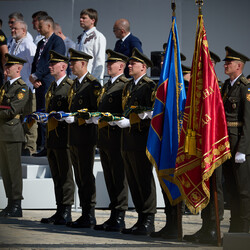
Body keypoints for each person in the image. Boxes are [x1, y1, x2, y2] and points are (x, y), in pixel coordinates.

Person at [183, 51, 224, 245]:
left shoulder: (219, 88)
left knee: (217, 187)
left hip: (216, 145)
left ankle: (214, 227)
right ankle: (205, 226)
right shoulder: (198, 90)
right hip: (201, 144)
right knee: (203, 183)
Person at [119, 48, 156, 236]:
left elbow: (155, 112)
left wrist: (142, 115)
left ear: (143, 66)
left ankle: (149, 219)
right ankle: (141, 217)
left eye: (133, 63)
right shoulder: (128, 86)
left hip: (141, 139)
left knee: (143, 178)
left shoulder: (149, 86)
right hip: (127, 139)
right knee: (133, 180)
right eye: (129, 63)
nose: (129, 65)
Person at [65, 48, 101, 228]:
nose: (71, 66)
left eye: (73, 63)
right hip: (74, 137)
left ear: (83, 64)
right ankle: (85, 214)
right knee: (79, 176)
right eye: (70, 63)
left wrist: (78, 118)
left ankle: (90, 214)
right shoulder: (75, 84)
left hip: (86, 137)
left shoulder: (93, 84)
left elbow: (96, 112)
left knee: (86, 176)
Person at [94, 50, 129, 232]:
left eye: (112, 63)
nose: (108, 66)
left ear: (121, 66)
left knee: (118, 177)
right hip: (105, 138)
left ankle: (120, 215)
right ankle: (113, 214)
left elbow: (125, 110)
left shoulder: (125, 85)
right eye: (108, 63)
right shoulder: (108, 85)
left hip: (117, 138)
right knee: (110, 178)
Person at [40, 50, 75, 225]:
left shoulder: (69, 86)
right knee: (56, 176)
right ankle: (59, 208)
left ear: (63, 66)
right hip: (52, 138)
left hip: (64, 138)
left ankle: (67, 210)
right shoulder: (53, 86)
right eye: (50, 63)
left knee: (65, 175)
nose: (50, 66)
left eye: (54, 64)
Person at [221, 46, 250, 233]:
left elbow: (248, 121)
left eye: (228, 62)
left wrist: (243, 149)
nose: (225, 65)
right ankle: (234, 227)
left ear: (239, 66)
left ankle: (245, 227)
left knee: (243, 190)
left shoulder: (245, 88)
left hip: (238, 143)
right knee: (231, 188)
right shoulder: (226, 85)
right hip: (225, 143)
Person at [30, 15, 65, 156]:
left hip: (49, 81)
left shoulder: (57, 42)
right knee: (40, 113)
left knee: (47, 112)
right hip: (39, 82)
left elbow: (52, 62)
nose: (38, 28)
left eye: (41, 26)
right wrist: (34, 76)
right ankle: (44, 145)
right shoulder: (40, 43)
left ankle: (49, 145)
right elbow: (36, 62)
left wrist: (37, 74)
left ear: (49, 26)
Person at [0, 54, 29, 217]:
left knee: (13, 171)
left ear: (18, 68)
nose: (6, 69)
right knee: (5, 171)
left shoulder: (21, 88)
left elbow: (13, 110)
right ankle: (10, 203)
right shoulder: (5, 87)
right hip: (3, 133)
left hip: (12, 133)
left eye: (9, 66)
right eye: (5, 66)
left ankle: (17, 204)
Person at [9, 20, 37, 156]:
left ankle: (30, 147)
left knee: (29, 118)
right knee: (18, 118)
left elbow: (34, 65)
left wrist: (31, 82)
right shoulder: (14, 44)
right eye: (12, 29)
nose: (13, 30)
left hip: (28, 87)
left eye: (16, 29)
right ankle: (20, 145)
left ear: (24, 31)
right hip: (16, 88)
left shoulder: (29, 45)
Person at [76, 8, 106, 82]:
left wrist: (96, 81)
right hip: (79, 79)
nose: (81, 20)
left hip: (90, 79)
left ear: (93, 20)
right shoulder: (80, 37)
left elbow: (100, 60)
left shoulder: (98, 36)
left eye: (84, 18)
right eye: (80, 17)